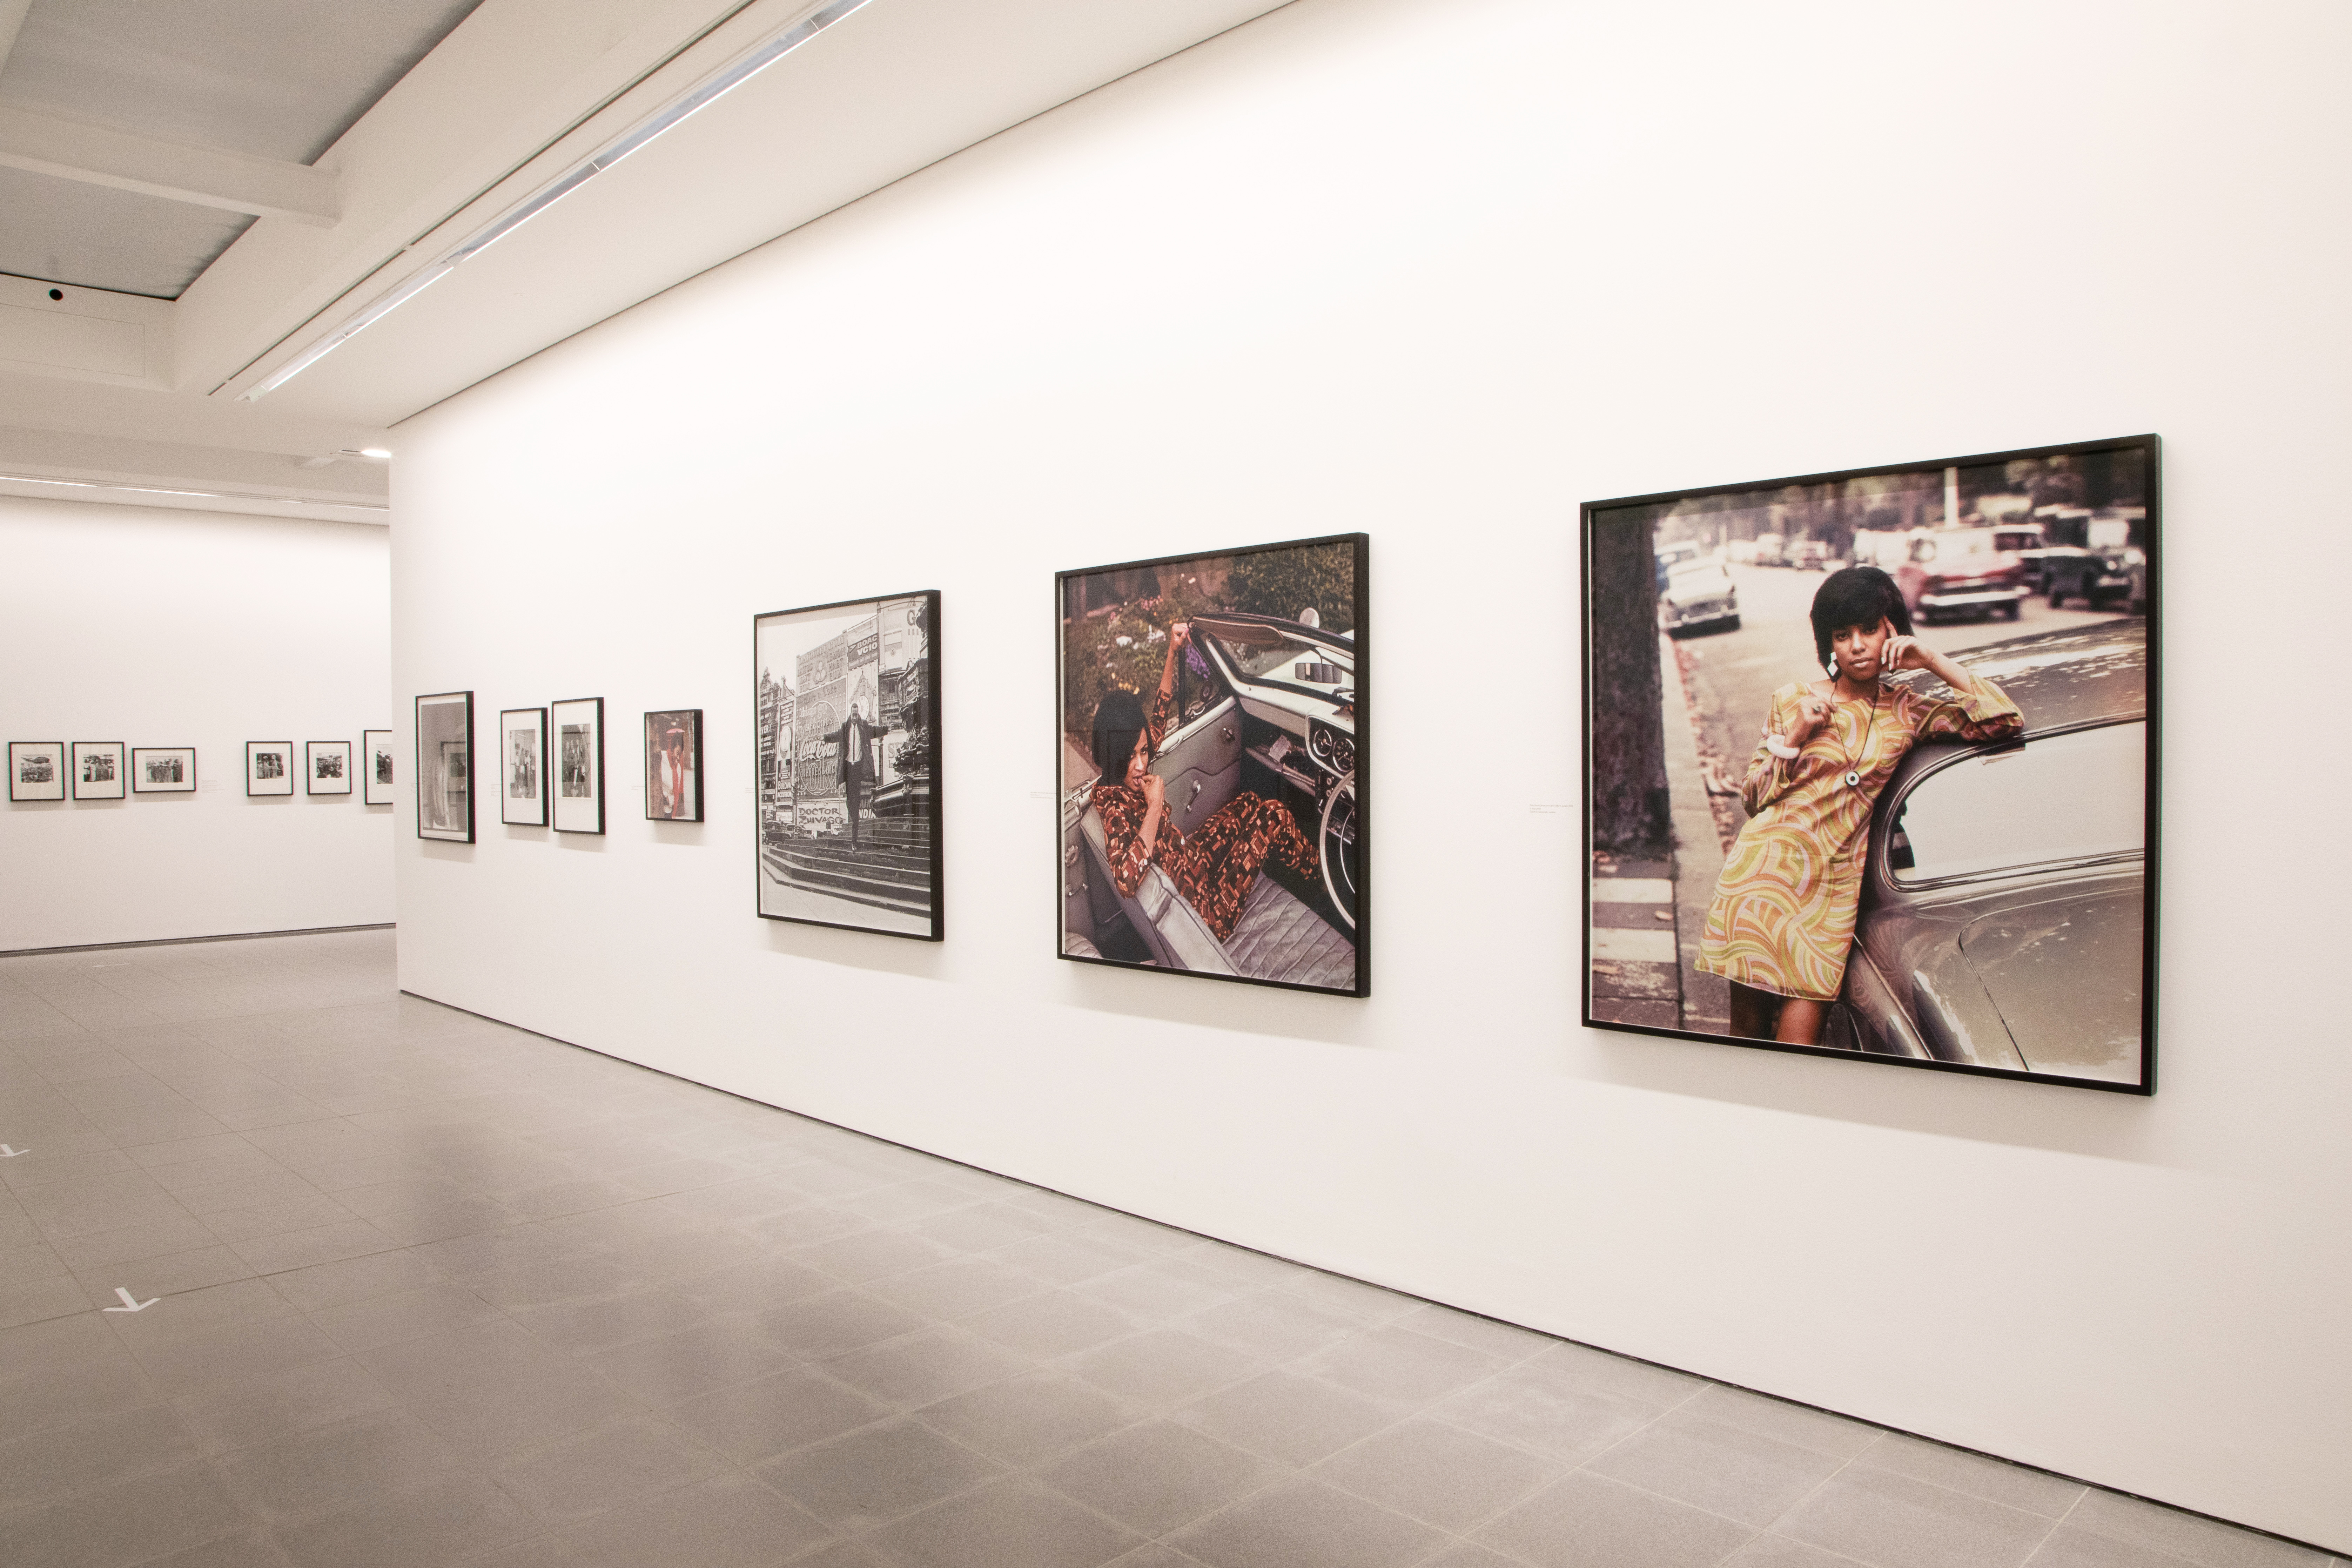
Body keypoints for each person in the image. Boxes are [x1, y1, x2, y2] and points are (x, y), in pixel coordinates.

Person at [1696, 566, 2024, 1046]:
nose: (1856, 645)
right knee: (1744, 1038)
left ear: (1892, 629)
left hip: (1828, 899)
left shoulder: (1907, 709)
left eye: (1869, 629)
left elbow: (2003, 720)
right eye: (1842, 633)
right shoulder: (1792, 700)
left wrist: (1930, 658)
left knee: (1797, 1049)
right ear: (1827, 643)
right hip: (1760, 884)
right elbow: (1752, 797)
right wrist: (1794, 736)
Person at [1089, 622, 1318, 942]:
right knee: (1274, 815)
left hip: (1194, 860)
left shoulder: (1124, 771)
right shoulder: (1113, 804)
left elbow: (1158, 716)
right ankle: (1320, 878)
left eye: (1143, 751)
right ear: (1113, 755)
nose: (1141, 764)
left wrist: (1172, 652)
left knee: (1251, 802)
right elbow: (1126, 880)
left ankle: (1298, 861)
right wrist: (1154, 808)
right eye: (1130, 756)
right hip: (1210, 910)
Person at [826, 701, 881, 850]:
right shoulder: (845, 727)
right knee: (849, 804)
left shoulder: (864, 727)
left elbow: (875, 731)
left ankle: (854, 842)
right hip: (848, 770)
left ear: (859, 714)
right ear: (851, 714)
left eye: (857, 714)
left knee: (856, 805)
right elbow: (836, 736)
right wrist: (825, 738)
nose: (855, 717)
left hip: (858, 769)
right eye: (853, 714)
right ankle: (854, 824)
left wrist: (886, 730)